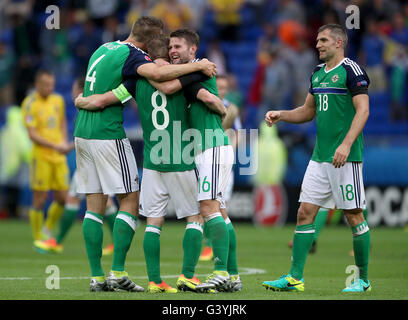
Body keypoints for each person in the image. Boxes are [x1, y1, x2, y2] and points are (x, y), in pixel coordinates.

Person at [74, 16, 217, 292]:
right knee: (130, 199)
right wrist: (197, 65)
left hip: (83, 132)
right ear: (150, 43)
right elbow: (163, 79)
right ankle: (118, 272)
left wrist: (80, 101)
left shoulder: (103, 49)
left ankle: (97, 277)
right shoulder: (136, 59)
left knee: (95, 208)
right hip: (109, 134)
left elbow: (102, 97)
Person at [262, 24, 371, 293]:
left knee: (354, 215)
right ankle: (294, 278)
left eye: (323, 40)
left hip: (345, 157)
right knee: (304, 212)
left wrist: (346, 144)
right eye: (317, 40)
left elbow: (364, 110)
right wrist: (282, 114)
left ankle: (363, 280)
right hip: (320, 157)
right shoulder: (318, 73)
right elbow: (307, 111)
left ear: (338, 42)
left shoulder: (351, 71)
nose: (318, 44)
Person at [168, 29, 234, 292]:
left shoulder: (196, 69)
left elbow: (208, 97)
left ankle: (220, 272)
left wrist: (220, 107)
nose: (173, 51)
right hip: (206, 149)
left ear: (193, 50)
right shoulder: (192, 71)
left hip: (212, 147)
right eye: (170, 46)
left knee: (208, 208)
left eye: (178, 46)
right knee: (219, 212)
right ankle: (234, 275)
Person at [33, 77, 118, 255]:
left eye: (74, 88)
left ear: (81, 89)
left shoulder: (87, 105)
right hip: (96, 157)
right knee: (106, 201)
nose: (71, 92)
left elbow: (89, 134)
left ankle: (57, 241)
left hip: (91, 159)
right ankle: (116, 242)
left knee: (74, 199)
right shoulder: (93, 104)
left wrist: (68, 147)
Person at [199, 74, 242, 292]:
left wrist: (229, 156)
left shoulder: (227, 108)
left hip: (217, 157)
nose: (222, 90)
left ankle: (224, 269)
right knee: (216, 210)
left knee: (216, 210)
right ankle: (231, 273)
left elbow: (238, 134)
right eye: (220, 86)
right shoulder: (207, 98)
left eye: (225, 87)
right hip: (210, 156)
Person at [21, 70, 73, 247]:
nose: (49, 88)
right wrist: (55, 146)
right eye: (45, 85)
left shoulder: (57, 100)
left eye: (51, 84)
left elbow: (62, 122)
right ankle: (37, 237)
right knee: (40, 198)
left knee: (62, 199)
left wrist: (64, 142)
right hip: (41, 156)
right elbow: (32, 134)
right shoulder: (29, 104)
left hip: (58, 157)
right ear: (37, 85)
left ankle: (47, 229)